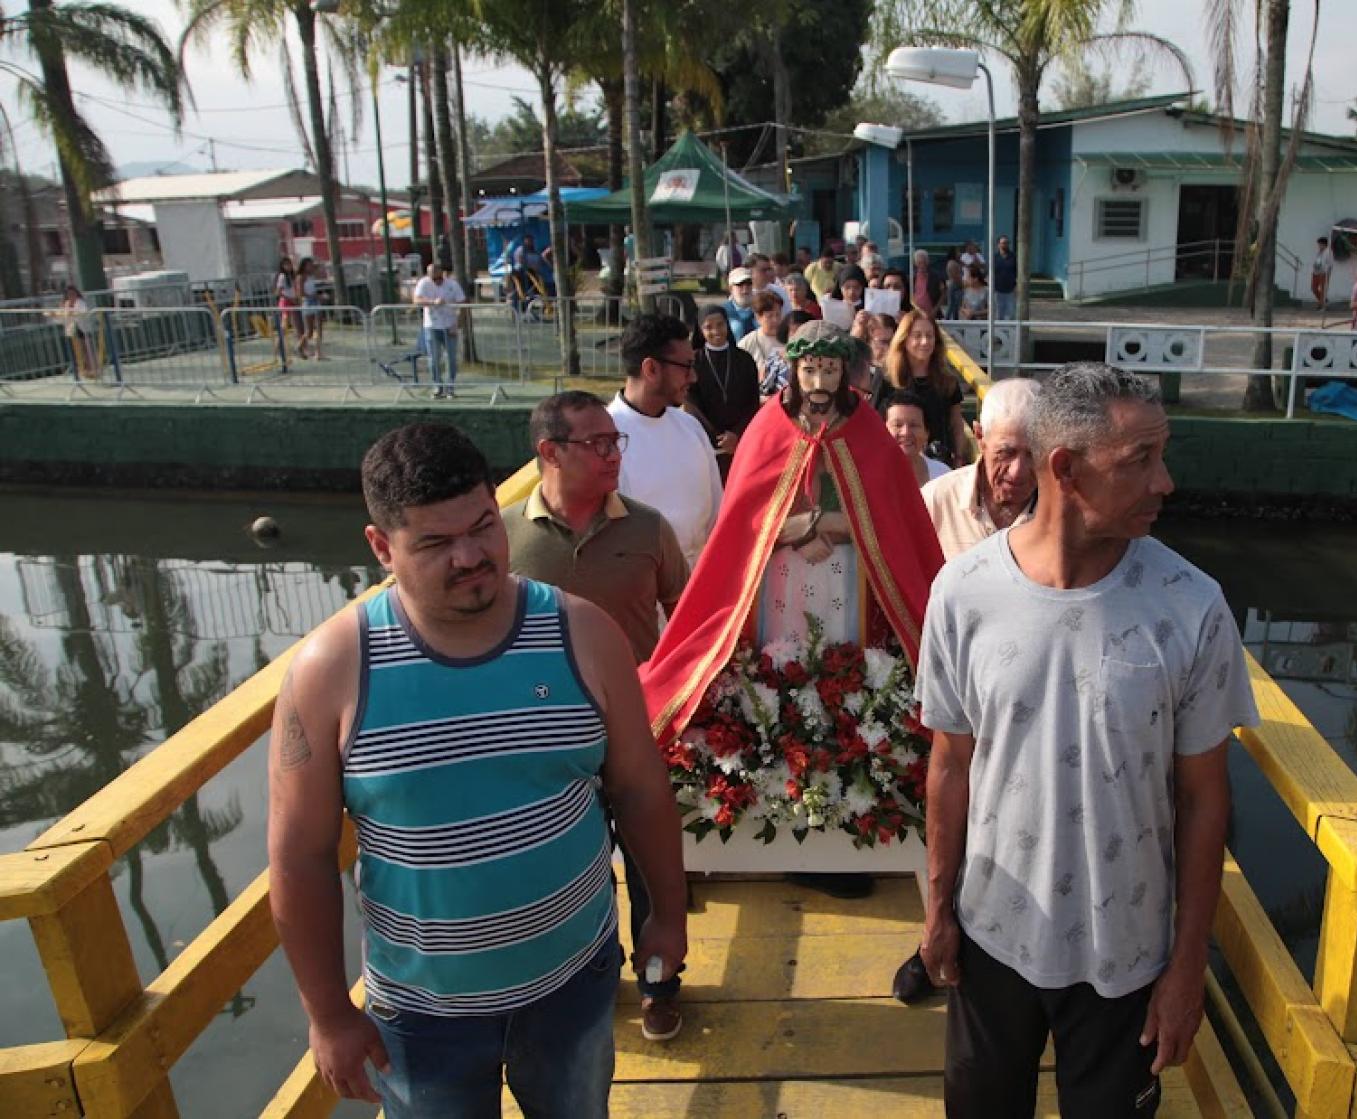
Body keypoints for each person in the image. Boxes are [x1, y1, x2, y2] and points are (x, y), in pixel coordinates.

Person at [268, 422, 688, 1115]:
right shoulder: (331, 671)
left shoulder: (582, 634)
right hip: (421, 1014)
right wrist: (329, 1014)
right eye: (434, 543)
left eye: (483, 526)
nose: (470, 556)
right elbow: (301, 857)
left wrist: (667, 916)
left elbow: (641, 790)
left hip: (573, 984)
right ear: (381, 546)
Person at [914, 363, 1258, 1118]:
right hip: (992, 934)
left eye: (1161, 455)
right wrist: (940, 910)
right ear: (1064, 468)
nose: (1164, 481)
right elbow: (950, 762)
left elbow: (1205, 798)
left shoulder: (1191, 607)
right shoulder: (963, 593)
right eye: (1140, 460)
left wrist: (1186, 965)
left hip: (1126, 955)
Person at [639, 321, 946, 899]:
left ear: (846, 374)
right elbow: (744, 521)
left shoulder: (870, 433)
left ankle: (848, 820)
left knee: (842, 669)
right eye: (810, 370)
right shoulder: (767, 429)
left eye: (830, 369)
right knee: (776, 671)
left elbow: (888, 518)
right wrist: (803, 527)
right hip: (775, 584)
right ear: (794, 372)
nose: (819, 380)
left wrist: (828, 525)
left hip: (850, 581)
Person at [503, 394, 692, 1041]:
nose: (616, 454)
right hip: (541, 746)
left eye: (618, 443)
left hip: (639, 735)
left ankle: (661, 980)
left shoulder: (647, 528)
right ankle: (593, 973)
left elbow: (691, 620)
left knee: (649, 861)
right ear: (549, 452)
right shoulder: (503, 537)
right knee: (569, 865)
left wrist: (685, 702)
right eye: (600, 444)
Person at [607, 313, 723, 570]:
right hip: (641, 593)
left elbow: (718, 512)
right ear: (651, 369)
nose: (693, 377)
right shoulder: (605, 438)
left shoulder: (690, 427)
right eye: (686, 366)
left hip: (698, 585)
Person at [921, 377, 1040, 560]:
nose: (1018, 471)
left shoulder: (1067, 512)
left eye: (1033, 454)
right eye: (1006, 453)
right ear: (979, 437)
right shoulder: (935, 502)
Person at [875, 307, 970, 466]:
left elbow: (956, 423)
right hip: (895, 460)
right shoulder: (886, 377)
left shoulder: (947, 380)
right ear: (904, 339)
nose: (925, 342)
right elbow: (875, 421)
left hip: (938, 462)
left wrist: (959, 457)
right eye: (917, 336)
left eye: (929, 336)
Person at [688, 304, 762, 475]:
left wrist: (736, 434)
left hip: (740, 442)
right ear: (700, 330)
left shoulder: (744, 359)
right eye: (708, 327)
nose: (716, 331)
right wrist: (718, 437)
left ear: (727, 324)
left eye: (720, 324)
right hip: (707, 443)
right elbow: (691, 404)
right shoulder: (694, 361)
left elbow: (752, 402)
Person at [413, 261, 466, 397]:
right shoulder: (423, 283)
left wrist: (457, 324)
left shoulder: (452, 285)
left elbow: (463, 304)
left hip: (449, 325)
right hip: (432, 326)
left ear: (442, 274)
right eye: (432, 278)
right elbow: (416, 300)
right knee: (434, 358)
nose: (435, 280)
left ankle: (450, 386)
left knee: (451, 359)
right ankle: (437, 385)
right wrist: (432, 302)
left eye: (437, 278)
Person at [885, 391, 952, 487]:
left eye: (914, 425)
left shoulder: (943, 475)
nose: (906, 432)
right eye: (897, 425)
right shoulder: (869, 476)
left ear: (926, 433)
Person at [739, 290, 787, 388]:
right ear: (758, 317)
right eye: (769, 316)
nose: (775, 320)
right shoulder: (746, 343)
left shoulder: (789, 338)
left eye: (778, 314)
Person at [57, 284, 99, 380]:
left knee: (87, 349)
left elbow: (83, 312)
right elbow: (62, 316)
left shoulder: (80, 302)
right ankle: (83, 370)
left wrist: (72, 313)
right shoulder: (65, 304)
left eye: (73, 293)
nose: (72, 296)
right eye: (69, 294)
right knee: (77, 350)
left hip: (83, 328)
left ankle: (93, 369)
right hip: (72, 329)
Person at [297, 257, 324, 360]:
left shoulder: (311, 275)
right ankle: (300, 347)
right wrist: (316, 296)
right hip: (308, 303)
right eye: (308, 265)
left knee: (319, 328)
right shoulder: (301, 277)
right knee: (309, 331)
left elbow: (319, 267)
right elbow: (301, 293)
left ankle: (318, 352)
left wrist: (316, 264)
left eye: (311, 264)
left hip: (315, 302)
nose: (310, 266)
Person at [722, 266, 756, 342]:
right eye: (740, 284)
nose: (745, 289)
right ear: (731, 288)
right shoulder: (722, 312)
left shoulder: (762, 309)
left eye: (749, 284)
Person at [274, 257, 300, 352]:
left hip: (293, 301)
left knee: (296, 324)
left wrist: (296, 298)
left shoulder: (292, 275)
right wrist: (290, 299)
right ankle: (278, 346)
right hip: (285, 302)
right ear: (282, 266)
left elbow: (295, 288)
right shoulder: (282, 276)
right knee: (284, 325)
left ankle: (299, 345)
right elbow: (278, 292)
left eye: (289, 264)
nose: (288, 266)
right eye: (285, 264)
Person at [911, 249, 945, 319]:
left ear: (927, 262)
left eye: (924, 262)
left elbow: (944, 293)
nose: (922, 265)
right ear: (915, 263)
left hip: (932, 313)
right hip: (916, 313)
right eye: (919, 263)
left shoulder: (935, 276)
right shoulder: (912, 278)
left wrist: (935, 309)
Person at [992, 236, 1018, 322]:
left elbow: (1017, 272)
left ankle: (1009, 333)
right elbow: (990, 273)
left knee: (1010, 314)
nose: (1005, 245)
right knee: (998, 314)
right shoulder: (994, 258)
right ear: (998, 245)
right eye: (1003, 243)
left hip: (1010, 290)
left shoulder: (1013, 257)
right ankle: (999, 334)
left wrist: (1016, 286)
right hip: (997, 290)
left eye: (1007, 243)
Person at [1309, 237, 1333, 310]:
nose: (1318, 246)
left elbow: (1330, 264)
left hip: (1323, 273)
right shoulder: (1319, 252)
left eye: (1319, 244)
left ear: (1324, 244)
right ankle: (1324, 301)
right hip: (1316, 272)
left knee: (1322, 289)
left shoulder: (1328, 252)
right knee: (1313, 288)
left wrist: (1326, 271)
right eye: (1318, 244)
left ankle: (1321, 305)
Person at [944, 253, 965, 319]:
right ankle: (947, 319)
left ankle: (954, 318)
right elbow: (954, 275)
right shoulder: (953, 264)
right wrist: (960, 284)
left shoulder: (953, 264)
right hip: (955, 285)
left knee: (955, 304)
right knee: (952, 304)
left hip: (953, 284)